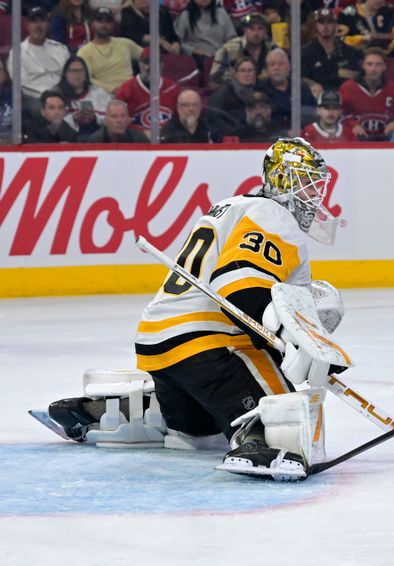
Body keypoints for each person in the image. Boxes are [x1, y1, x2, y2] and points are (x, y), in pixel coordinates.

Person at [42, 138, 344, 481]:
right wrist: (295, 342)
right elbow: (240, 285)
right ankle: (258, 439)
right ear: (279, 179)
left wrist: (301, 343)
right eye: (303, 181)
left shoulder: (231, 206)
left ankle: (136, 411)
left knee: (200, 434)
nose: (312, 193)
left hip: (159, 348)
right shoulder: (275, 215)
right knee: (291, 417)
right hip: (208, 344)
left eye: (316, 184)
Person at [6, 6, 70, 111]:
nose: (38, 26)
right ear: (27, 25)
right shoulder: (17, 53)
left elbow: (68, 76)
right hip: (35, 98)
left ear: (47, 24)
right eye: (34, 22)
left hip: (63, 94)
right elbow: (22, 84)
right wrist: (49, 97)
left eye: (42, 21)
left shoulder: (60, 48)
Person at [340, 46, 394, 140]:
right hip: (355, 139)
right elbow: (340, 114)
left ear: (384, 67)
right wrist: (352, 125)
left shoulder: (392, 88)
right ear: (363, 65)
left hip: (385, 138)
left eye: (378, 64)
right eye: (369, 64)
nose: (373, 69)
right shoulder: (348, 88)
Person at [77, 7, 143, 93]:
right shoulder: (84, 52)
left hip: (132, 91)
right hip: (103, 95)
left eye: (108, 21)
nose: (104, 25)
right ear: (92, 24)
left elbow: (148, 56)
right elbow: (86, 78)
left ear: (113, 24)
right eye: (100, 21)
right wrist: (112, 89)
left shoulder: (125, 43)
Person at [300, 8, 362, 98]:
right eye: (321, 22)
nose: (325, 27)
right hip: (316, 99)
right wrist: (312, 84)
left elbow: (358, 76)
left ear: (336, 25)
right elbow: (299, 77)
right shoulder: (306, 52)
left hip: (344, 96)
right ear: (316, 25)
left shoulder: (350, 51)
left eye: (329, 22)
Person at [115, 47, 180, 130]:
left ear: (162, 65)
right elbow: (119, 121)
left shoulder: (173, 87)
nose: (150, 67)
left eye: (155, 63)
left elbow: (181, 118)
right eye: (146, 62)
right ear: (139, 64)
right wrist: (140, 133)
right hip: (138, 139)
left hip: (168, 137)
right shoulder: (126, 89)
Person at [210, 12, 274, 87]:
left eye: (260, 29)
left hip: (265, 89)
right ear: (245, 30)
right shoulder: (228, 48)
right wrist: (238, 77)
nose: (256, 33)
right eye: (251, 29)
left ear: (265, 31)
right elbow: (215, 75)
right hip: (235, 91)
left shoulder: (272, 48)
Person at [56, 54, 112, 140]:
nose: (77, 75)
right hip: (67, 136)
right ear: (65, 73)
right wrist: (73, 119)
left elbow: (110, 118)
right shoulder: (56, 95)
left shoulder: (99, 92)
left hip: (96, 134)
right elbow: (52, 123)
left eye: (81, 71)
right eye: (73, 71)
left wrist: (95, 118)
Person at [260, 48, 317, 131]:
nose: (276, 68)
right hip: (270, 137)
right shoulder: (260, 89)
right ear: (267, 69)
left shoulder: (301, 88)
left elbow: (313, 112)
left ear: (289, 67)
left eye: (281, 64)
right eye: (272, 64)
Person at [174, 0, 237, 69]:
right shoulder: (186, 15)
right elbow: (177, 42)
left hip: (221, 58)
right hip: (197, 59)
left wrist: (224, 54)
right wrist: (192, 50)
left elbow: (232, 40)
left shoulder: (221, 13)